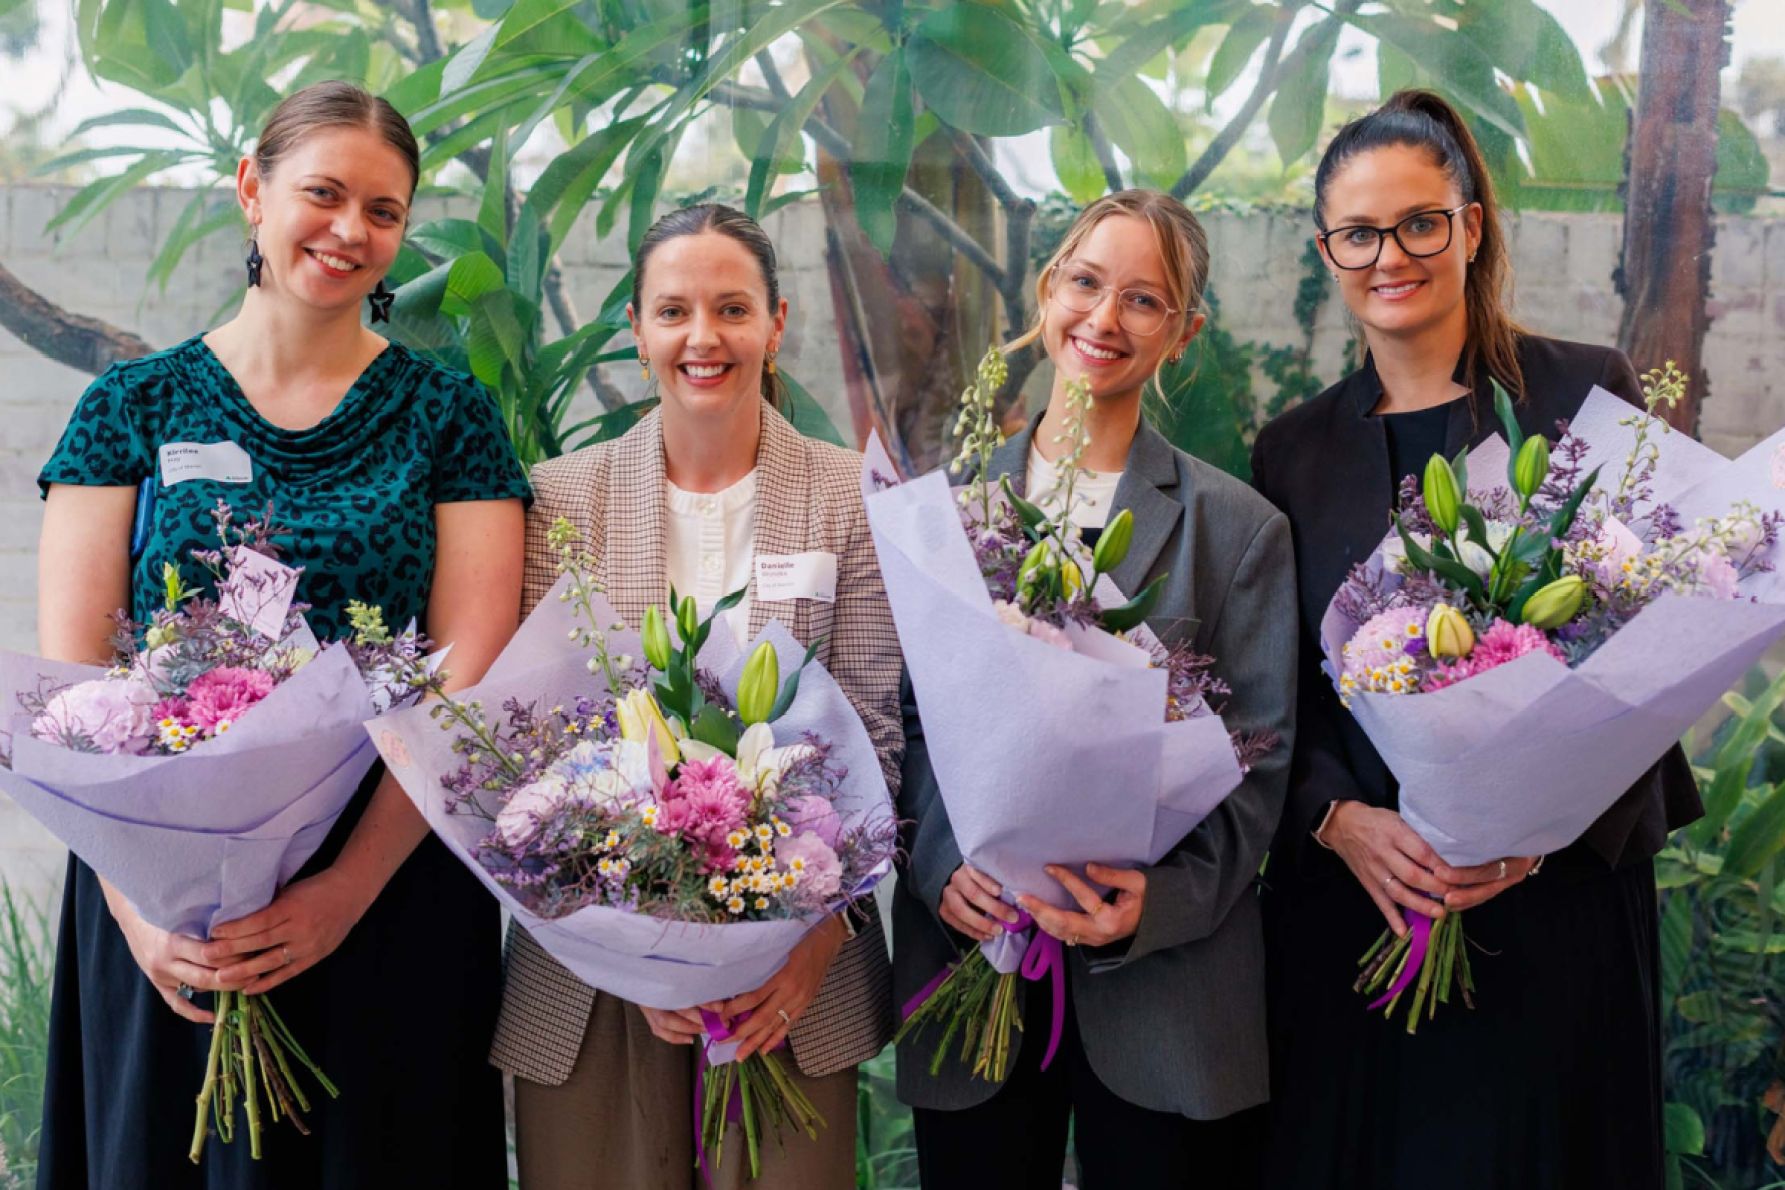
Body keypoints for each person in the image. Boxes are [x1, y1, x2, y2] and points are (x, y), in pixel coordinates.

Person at [33, 81, 528, 1187]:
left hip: (386, 889)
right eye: (324, 193)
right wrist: (142, 911)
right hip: (163, 894)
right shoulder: (128, 409)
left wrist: (343, 891)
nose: (351, 229)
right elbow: (72, 695)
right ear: (252, 190)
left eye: (384, 211)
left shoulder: (452, 420)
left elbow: (463, 683)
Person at [1251, 89, 1701, 1190]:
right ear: (1327, 248)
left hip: (1554, 905)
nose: (1390, 256)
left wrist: (1528, 828)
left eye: (1419, 222)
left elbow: (1651, 632)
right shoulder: (1291, 451)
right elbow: (1275, 692)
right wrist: (1337, 819)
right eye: (1359, 233)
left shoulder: (1583, 391)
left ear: (1471, 225)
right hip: (1365, 906)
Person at [490, 202, 903, 1189]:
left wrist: (815, 937)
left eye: (732, 308)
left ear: (776, 323)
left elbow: (877, 735)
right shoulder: (559, 499)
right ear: (637, 330)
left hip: (791, 979)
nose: (703, 336)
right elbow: (525, 750)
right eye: (673, 311)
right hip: (590, 976)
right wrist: (623, 946)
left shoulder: (853, 497)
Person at [892, 189, 1297, 1190]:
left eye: (1144, 300)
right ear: (1047, 290)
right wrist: (942, 865)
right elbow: (903, 723)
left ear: (1184, 332)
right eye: (1085, 282)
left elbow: (1260, 763)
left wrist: (1154, 903)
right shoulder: (946, 513)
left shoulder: (1237, 529)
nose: (1104, 318)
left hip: (1164, 991)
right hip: (975, 964)